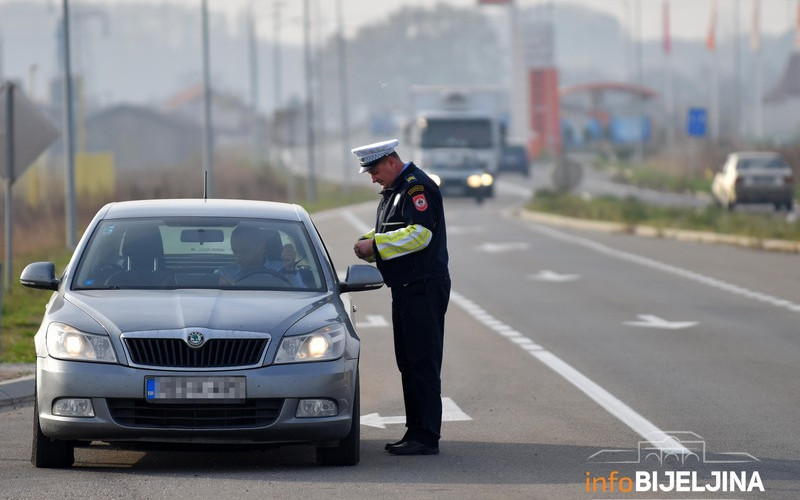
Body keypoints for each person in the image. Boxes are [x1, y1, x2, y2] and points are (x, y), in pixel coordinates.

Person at [351, 138, 450, 456]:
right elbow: (393, 229)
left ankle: (425, 436)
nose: (373, 177)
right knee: (408, 362)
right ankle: (415, 430)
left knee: (423, 362)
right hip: (406, 289)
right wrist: (368, 240)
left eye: (375, 170)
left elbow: (420, 234)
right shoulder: (394, 193)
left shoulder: (415, 189)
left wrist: (376, 245)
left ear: (392, 162)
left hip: (422, 287)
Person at [216, 226, 303, 287]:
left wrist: (290, 270)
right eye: (234, 252)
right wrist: (228, 291)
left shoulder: (284, 269)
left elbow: (302, 295)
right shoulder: (226, 274)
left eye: (244, 252)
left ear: (261, 249)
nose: (237, 258)